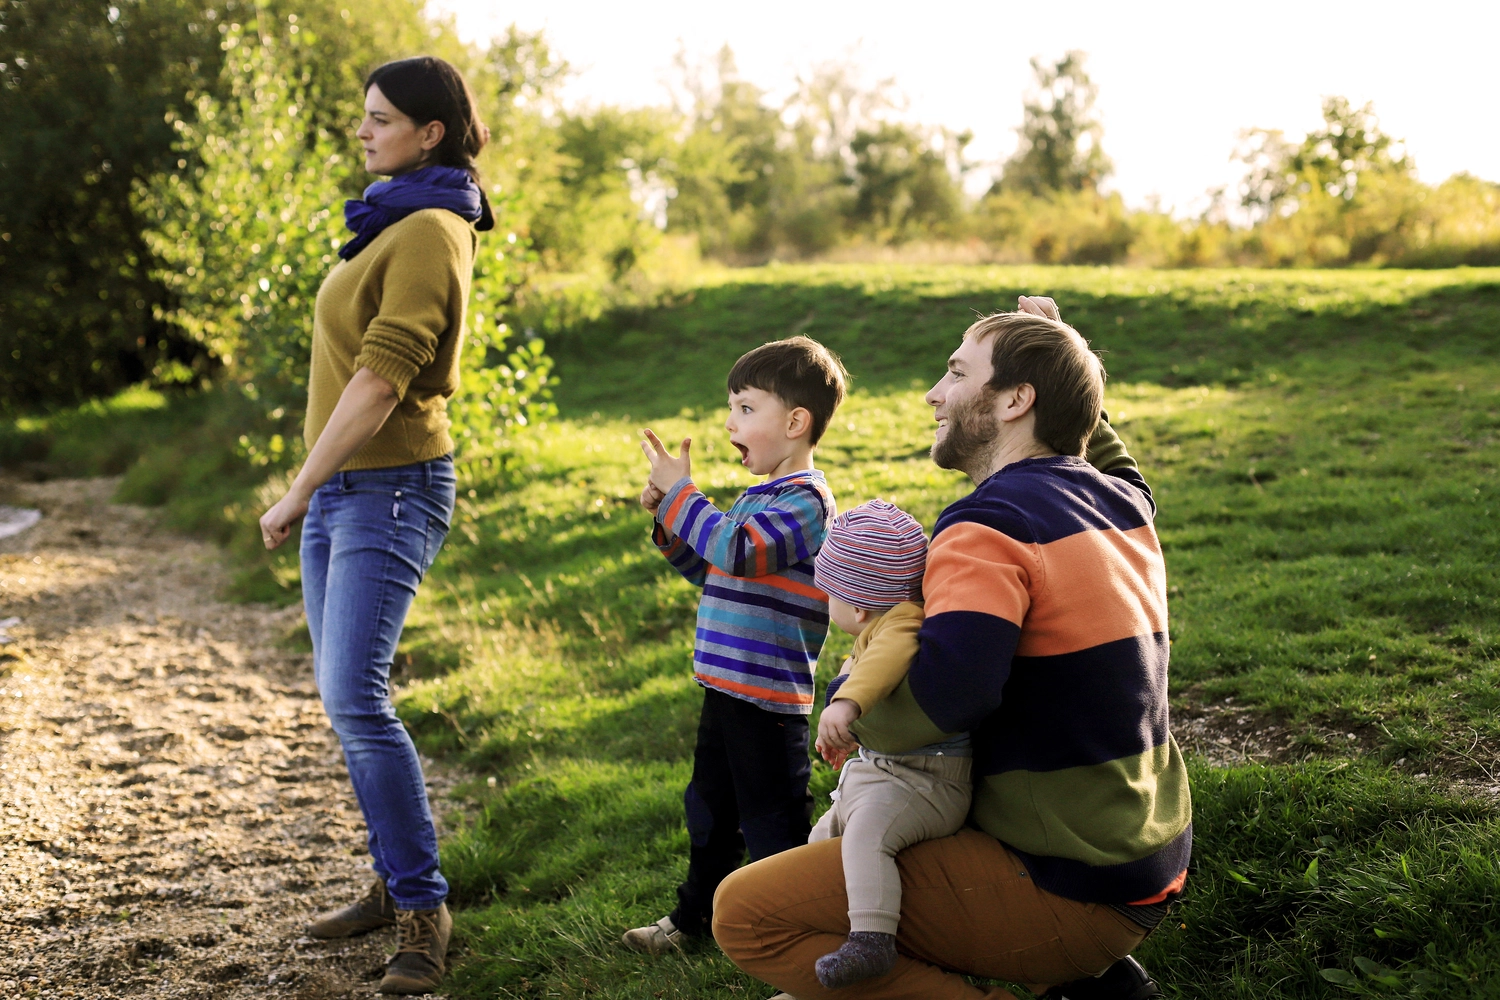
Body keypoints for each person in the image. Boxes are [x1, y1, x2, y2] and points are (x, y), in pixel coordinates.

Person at [712, 298, 1188, 1000]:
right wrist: (1068, 367)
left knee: (748, 914)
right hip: (1145, 856)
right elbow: (1122, 469)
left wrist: (852, 705)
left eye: (957, 373)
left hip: (1067, 882)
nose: (934, 393)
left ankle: (1056, 969)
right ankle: (1099, 984)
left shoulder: (987, 525)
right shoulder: (1118, 503)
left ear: (1015, 400)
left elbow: (951, 697)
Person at [257, 55, 494, 996]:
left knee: (357, 697)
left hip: (386, 489)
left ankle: (422, 909)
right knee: (345, 699)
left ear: (429, 131)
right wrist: (315, 488)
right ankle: (392, 878)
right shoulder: (392, 219)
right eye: (363, 116)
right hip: (346, 491)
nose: (363, 131)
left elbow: (381, 379)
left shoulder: (433, 227)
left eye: (380, 118)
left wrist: (296, 489)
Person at [621, 336, 849, 953]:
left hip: (769, 698)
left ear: (797, 422)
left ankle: (802, 933)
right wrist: (670, 522)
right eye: (732, 408)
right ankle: (694, 918)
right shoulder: (759, 497)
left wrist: (683, 497)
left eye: (746, 408)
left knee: (772, 822)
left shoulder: (806, 502)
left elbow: (737, 552)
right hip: (725, 687)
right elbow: (716, 569)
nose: (729, 422)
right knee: (710, 810)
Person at [807, 499, 973, 990]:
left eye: (829, 593)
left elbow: (883, 664)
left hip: (926, 783)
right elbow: (860, 668)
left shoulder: (901, 623)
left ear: (856, 604)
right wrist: (846, 731)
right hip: (884, 775)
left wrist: (847, 706)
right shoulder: (875, 631)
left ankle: (872, 940)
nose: (825, 602)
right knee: (819, 847)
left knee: (866, 837)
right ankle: (819, 944)